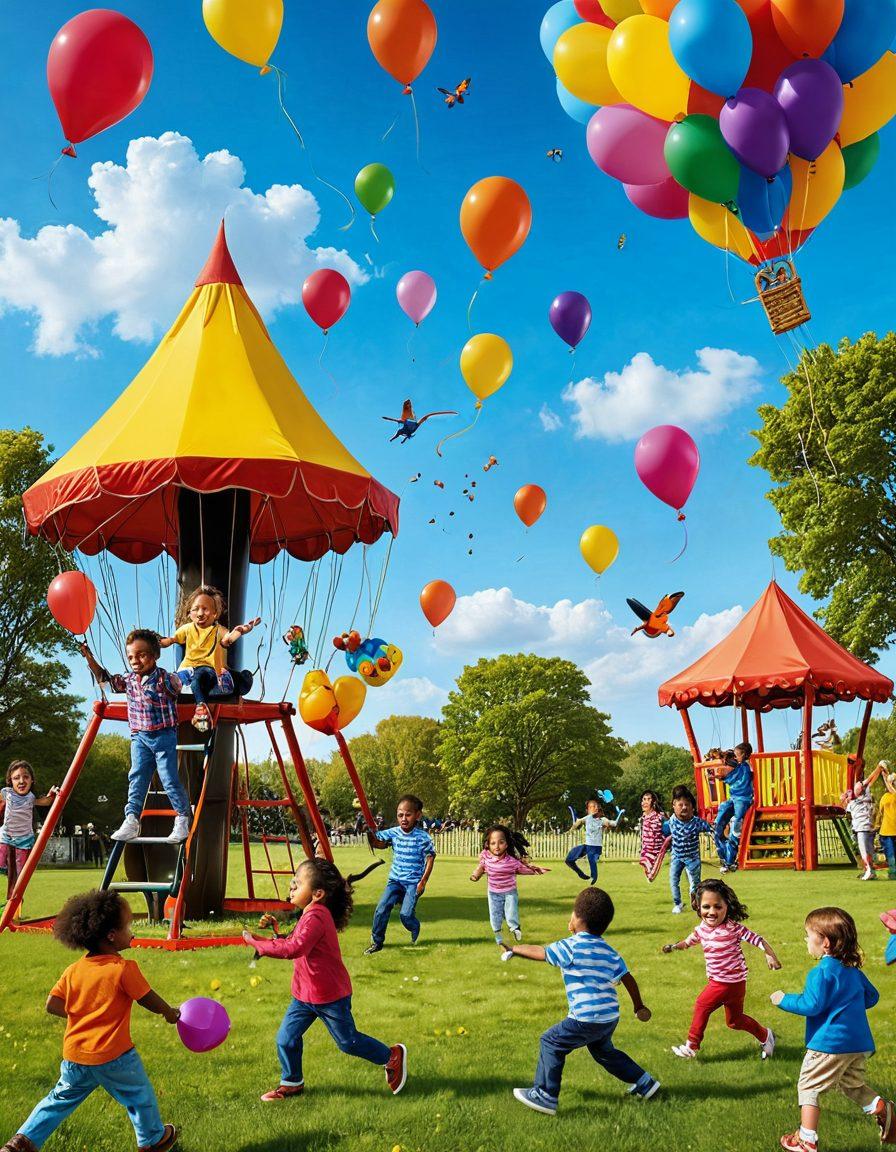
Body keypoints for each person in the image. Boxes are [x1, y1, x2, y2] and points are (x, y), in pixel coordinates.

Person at [1, 890, 180, 1152]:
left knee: (58, 1100)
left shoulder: (74, 970)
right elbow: (146, 998)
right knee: (139, 1095)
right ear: (111, 935)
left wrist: (82, 1013)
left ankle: (21, 1143)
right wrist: (168, 1012)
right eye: (126, 926)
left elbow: (52, 1004)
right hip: (115, 1056)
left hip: (75, 1057)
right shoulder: (123, 969)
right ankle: (153, 1139)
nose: (131, 931)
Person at [241, 858, 407, 1101]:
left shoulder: (316, 916)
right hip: (304, 994)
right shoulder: (310, 914)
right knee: (286, 1038)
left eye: (297, 884)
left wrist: (257, 944)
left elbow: (293, 949)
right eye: (292, 883)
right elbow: (293, 940)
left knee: (348, 1042)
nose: (291, 887)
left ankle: (391, 1056)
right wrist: (270, 936)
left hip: (329, 995)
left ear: (317, 894)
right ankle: (292, 1082)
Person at [508, 886, 659, 1115]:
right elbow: (627, 978)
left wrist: (515, 948)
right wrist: (638, 1006)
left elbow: (542, 952)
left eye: (572, 913)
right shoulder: (609, 950)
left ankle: (545, 1095)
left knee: (551, 1042)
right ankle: (645, 1082)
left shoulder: (571, 946)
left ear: (577, 919)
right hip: (609, 1017)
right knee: (604, 1052)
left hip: (586, 1017)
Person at [770, 906, 896, 1150]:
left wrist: (782, 999)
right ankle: (882, 1108)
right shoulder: (853, 971)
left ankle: (806, 1139)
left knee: (808, 1086)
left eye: (809, 935)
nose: (806, 940)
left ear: (825, 942)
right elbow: (872, 997)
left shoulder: (821, 972)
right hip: (857, 1043)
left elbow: (812, 1005)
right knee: (852, 1085)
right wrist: (847, 1004)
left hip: (829, 1044)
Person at [81, 631, 192, 845]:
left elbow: (184, 678)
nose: (135, 661)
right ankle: (131, 819)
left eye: (141, 655)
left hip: (163, 734)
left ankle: (182, 817)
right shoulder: (130, 680)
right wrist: (89, 657)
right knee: (137, 777)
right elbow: (105, 679)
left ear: (155, 655)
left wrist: (197, 674)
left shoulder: (165, 679)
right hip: (139, 737)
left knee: (168, 779)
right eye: (131, 656)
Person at [663, 878, 780, 1060]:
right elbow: (687, 943)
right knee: (735, 1021)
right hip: (729, 983)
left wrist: (770, 954)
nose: (712, 912)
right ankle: (766, 1035)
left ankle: (691, 1046)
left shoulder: (733, 928)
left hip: (728, 982)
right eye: (706, 907)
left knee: (702, 1004)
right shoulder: (701, 929)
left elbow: (758, 939)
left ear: (727, 906)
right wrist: (673, 947)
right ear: (697, 906)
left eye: (718, 907)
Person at [158, 584, 259, 732]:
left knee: (198, 679)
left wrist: (243, 629)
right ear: (189, 613)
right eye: (196, 609)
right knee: (173, 679)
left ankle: (201, 710)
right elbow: (172, 639)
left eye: (205, 609)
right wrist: (158, 642)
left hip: (208, 669)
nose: (200, 613)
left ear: (215, 614)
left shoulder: (218, 630)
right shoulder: (187, 629)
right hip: (188, 668)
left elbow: (228, 639)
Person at [364, 795, 435, 955]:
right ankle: (377, 942)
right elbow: (377, 842)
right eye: (400, 815)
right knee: (382, 908)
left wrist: (422, 882)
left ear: (417, 815)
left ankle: (414, 925)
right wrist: (368, 830)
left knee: (405, 915)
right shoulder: (394, 833)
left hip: (413, 882)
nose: (403, 818)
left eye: (408, 814)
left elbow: (430, 859)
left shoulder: (423, 838)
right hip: (395, 881)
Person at [470, 824, 549, 944]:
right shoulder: (486, 858)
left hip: (510, 892)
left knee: (511, 911)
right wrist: (475, 875)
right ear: (488, 845)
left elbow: (522, 869)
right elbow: (481, 868)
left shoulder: (512, 861)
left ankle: (515, 928)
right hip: (493, 893)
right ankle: (497, 932)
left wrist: (536, 871)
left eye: (501, 842)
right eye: (493, 843)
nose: (497, 846)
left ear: (507, 844)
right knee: (495, 914)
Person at [0, 761, 58, 877]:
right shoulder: (6, 793)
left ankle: (15, 880)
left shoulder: (31, 798)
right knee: (1, 857)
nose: (21, 781)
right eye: (16, 778)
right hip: (6, 835)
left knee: (21, 871)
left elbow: (46, 802)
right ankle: (3, 867)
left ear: (32, 780)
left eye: (26, 777)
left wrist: (52, 794)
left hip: (24, 838)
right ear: (10, 781)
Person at [708, 742, 754, 874]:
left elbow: (735, 779)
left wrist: (724, 777)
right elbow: (731, 775)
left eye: (736, 755)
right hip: (733, 799)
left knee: (736, 825)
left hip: (743, 799)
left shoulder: (745, 767)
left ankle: (729, 861)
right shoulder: (739, 766)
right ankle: (724, 856)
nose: (734, 757)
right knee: (719, 821)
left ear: (743, 755)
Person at [668, 785, 714, 914]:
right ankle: (678, 904)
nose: (684, 807)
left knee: (695, 883)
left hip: (692, 857)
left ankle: (696, 903)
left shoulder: (697, 822)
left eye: (687, 804)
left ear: (692, 807)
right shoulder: (671, 821)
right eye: (680, 804)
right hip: (676, 856)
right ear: (674, 806)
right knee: (673, 880)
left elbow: (711, 828)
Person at [843, 761, 886, 881]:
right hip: (867, 828)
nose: (859, 783)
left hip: (863, 829)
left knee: (864, 851)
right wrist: (879, 769)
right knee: (869, 850)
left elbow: (870, 779)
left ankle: (868, 871)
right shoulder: (861, 799)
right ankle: (871, 871)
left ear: (860, 789)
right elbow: (871, 779)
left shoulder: (861, 796)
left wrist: (878, 768)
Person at [564, 798, 620, 885]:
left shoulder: (602, 820)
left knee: (591, 860)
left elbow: (613, 823)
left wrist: (618, 816)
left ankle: (594, 877)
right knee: (569, 860)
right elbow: (577, 822)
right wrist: (570, 829)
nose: (595, 808)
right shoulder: (587, 818)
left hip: (595, 847)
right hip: (586, 846)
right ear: (588, 810)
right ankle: (580, 874)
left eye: (596, 806)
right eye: (592, 807)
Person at [637, 790, 669, 883]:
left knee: (651, 877)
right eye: (643, 799)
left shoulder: (660, 817)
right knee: (648, 875)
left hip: (657, 851)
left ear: (653, 802)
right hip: (646, 851)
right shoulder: (643, 818)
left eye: (648, 799)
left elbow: (668, 828)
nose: (645, 802)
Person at [878, 765, 896, 880]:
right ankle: (893, 874)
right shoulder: (884, 797)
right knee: (891, 854)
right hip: (886, 832)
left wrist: (885, 778)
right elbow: (881, 813)